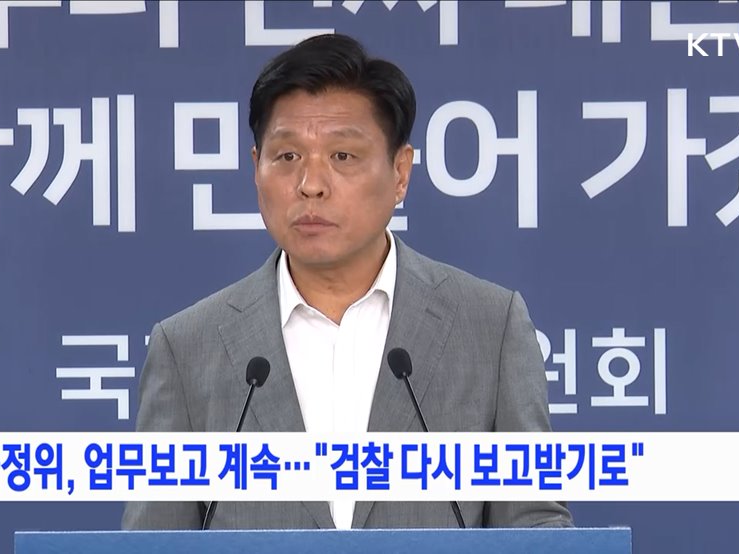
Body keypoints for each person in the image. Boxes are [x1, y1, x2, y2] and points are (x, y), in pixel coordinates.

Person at [122, 33, 573, 530]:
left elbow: (534, 526)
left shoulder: (490, 327)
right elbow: (153, 537)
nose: (311, 184)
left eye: (343, 156)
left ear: (400, 172)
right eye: (287, 157)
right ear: (256, 168)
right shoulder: (186, 348)